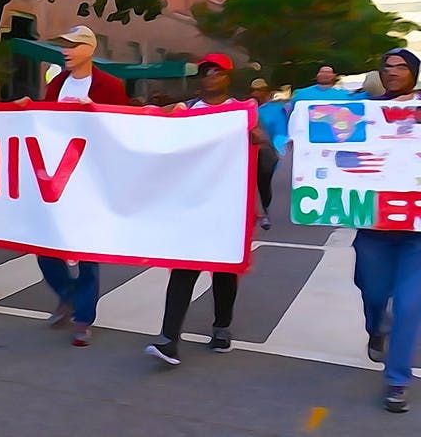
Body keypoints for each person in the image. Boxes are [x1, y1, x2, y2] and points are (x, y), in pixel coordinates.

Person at [145, 53, 266, 365]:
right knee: (183, 270)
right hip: (192, 205)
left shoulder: (241, 111)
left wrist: (256, 137)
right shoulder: (187, 110)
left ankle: (221, 326)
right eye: (206, 71)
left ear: (228, 77)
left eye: (218, 71)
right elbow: (155, 131)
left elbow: (264, 147)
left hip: (228, 205)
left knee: (224, 271)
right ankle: (169, 339)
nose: (211, 76)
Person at [37, 25, 130, 346]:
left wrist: (94, 112)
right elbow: (43, 123)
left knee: (88, 252)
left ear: (90, 49)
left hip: (92, 177)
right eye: (64, 45)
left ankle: (83, 318)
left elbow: (123, 126)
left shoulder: (109, 85)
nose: (66, 51)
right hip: (57, 177)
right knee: (45, 246)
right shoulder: (57, 84)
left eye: (73, 45)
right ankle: (68, 295)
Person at [350, 48, 421, 413]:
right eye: (387, 66)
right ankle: (375, 328)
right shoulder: (362, 112)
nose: (392, 72)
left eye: (401, 67)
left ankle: (397, 381)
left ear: (414, 73)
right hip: (374, 227)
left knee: (409, 306)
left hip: (416, 234)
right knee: (375, 294)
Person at [248, 78, 284, 230]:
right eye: (253, 90)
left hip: (266, 152)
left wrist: (280, 150)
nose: (255, 93)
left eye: (259, 90)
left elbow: (280, 131)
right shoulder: (248, 108)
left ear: (266, 91)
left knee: (264, 182)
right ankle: (254, 213)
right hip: (248, 152)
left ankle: (265, 210)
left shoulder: (276, 110)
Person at [289, 65, 355, 109]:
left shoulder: (347, 94)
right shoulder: (300, 93)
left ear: (334, 76)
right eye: (322, 72)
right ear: (317, 75)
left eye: (328, 72)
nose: (325, 75)